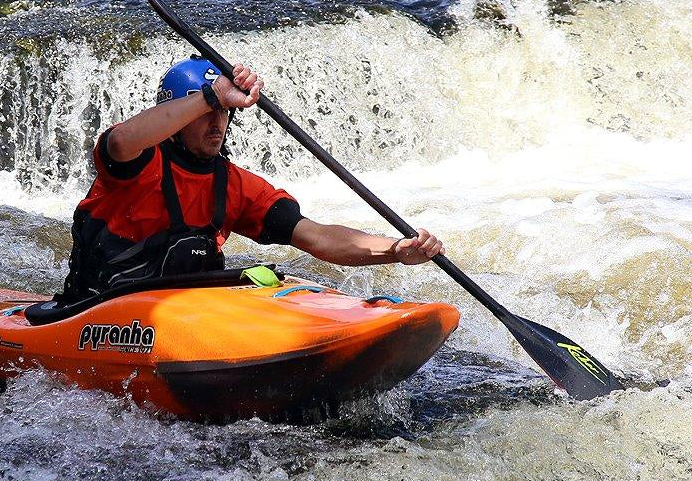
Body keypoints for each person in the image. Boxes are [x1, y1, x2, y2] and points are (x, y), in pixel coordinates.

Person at [58, 57, 445, 302]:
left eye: (225, 113)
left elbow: (317, 236)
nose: (217, 123)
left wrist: (395, 250)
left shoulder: (235, 185)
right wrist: (213, 96)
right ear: (176, 115)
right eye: (207, 111)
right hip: (98, 310)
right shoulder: (137, 163)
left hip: (184, 312)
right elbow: (122, 139)